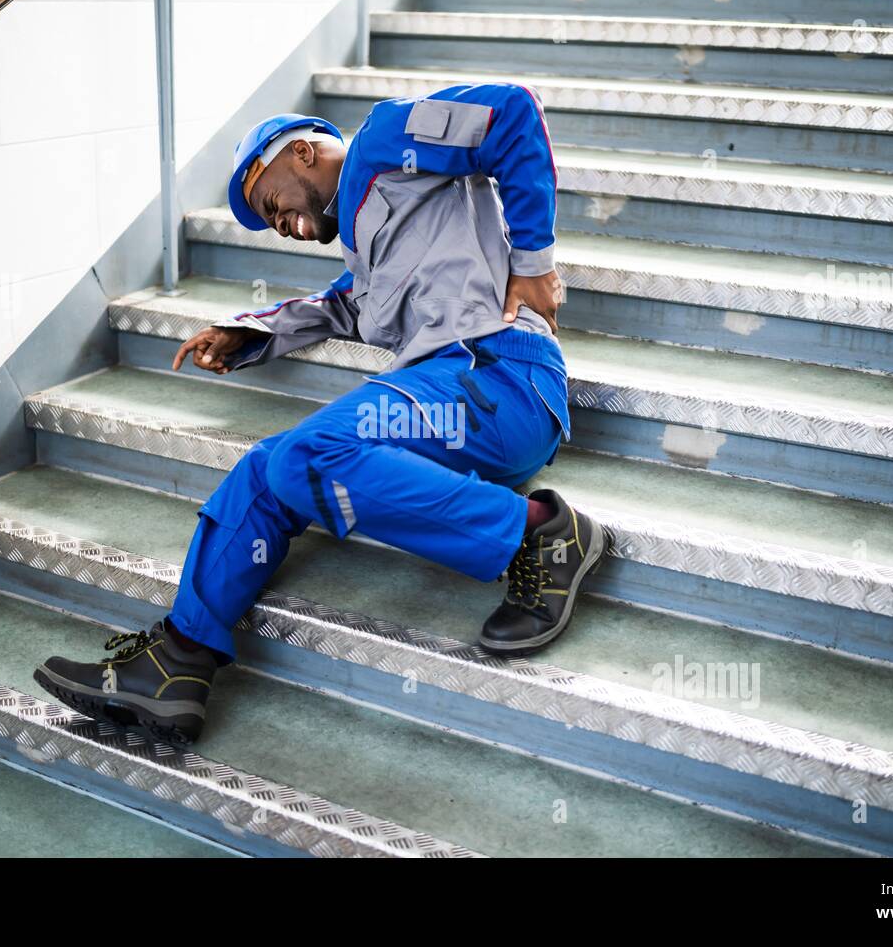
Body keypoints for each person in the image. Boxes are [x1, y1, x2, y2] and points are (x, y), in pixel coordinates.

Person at [34, 84, 606, 743]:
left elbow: (510, 113)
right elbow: (339, 304)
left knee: (311, 453)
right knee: (264, 468)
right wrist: (248, 332)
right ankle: (177, 663)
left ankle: (540, 533)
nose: (276, 224)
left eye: (268, 201)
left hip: (500, 376)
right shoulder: (367, 255)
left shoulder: (383, 140)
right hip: (446, 400)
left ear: (301, 152)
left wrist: (533, 263)